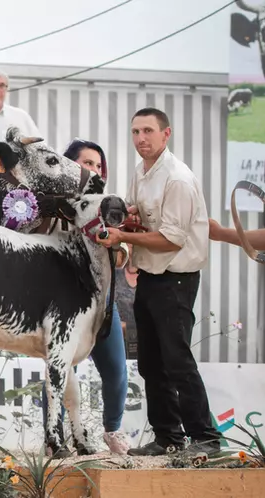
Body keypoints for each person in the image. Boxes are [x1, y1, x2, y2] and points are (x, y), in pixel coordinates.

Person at [97, 107, 222, 457]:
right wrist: (130, 216)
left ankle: (206, 437)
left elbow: (171, 239)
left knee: (177, 359)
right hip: (151, 277)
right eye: (136, 132)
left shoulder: (177, 178)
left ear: (166, 135)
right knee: (151, 362)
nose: (141, 139)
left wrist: (123, 234)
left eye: (148, 131)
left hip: (177, 279)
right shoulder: (142, 171)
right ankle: (168, 437)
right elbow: (140, 214)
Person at [39, 138, 130, 456]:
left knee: (117, 372)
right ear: (69, 166)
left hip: (101, 307)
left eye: (97, 165)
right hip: (59, 307)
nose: (93, 169)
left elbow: (121, 258)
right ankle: (54, 438)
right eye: (86, 163)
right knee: (57, 371)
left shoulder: (109, 208)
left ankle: (113, 431)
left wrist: (113, 243)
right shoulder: (44, 206)